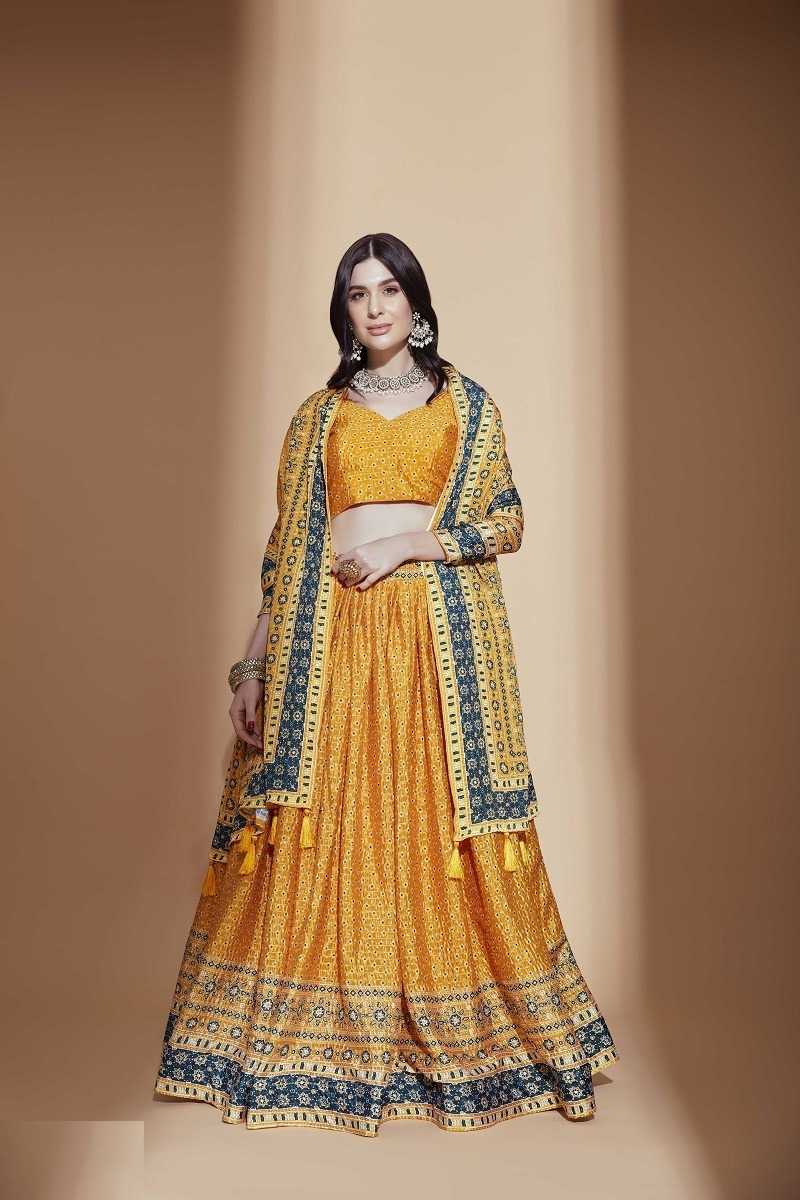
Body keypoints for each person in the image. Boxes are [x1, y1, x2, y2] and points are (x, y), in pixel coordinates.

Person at [153, 232, 618, 1136]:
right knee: (337, 816)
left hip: (438, 646)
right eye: (357, 294)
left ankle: (472, 1034)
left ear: (416, 301)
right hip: (329, 642)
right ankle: (322, 1037)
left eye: (389, 290)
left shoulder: (467, 406)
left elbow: (506, 522)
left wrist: (407, 544)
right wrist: (252, 667)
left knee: (434, 816)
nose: (374, 308)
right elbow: (287, 554)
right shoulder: (318, 417)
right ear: (344, 311)